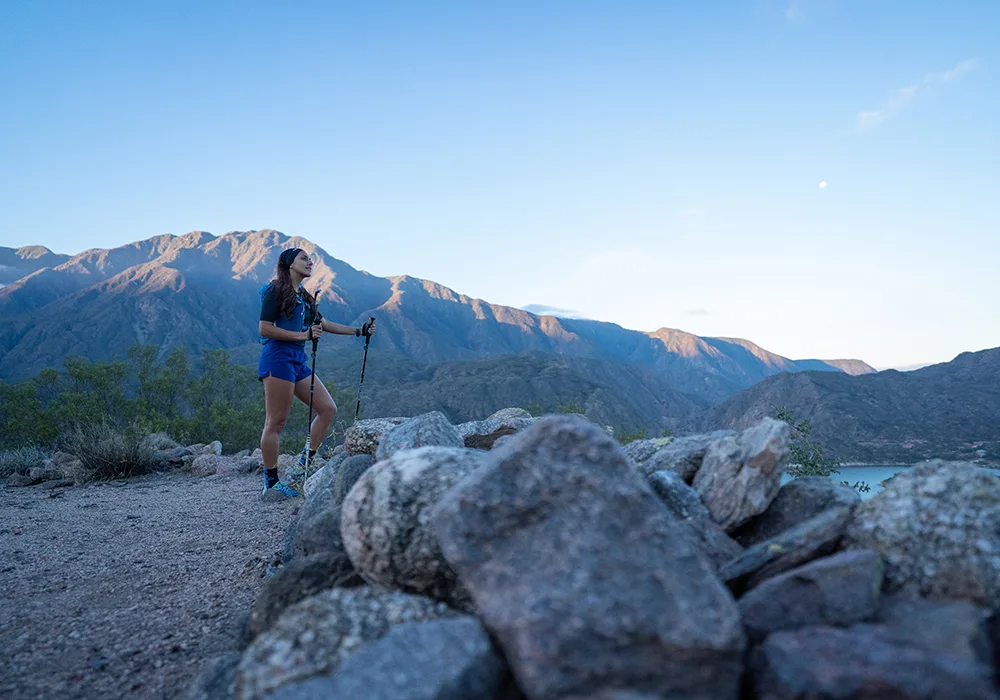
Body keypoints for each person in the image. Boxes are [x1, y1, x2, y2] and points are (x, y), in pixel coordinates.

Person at [258, 247, 375, 498]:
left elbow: (323, 324)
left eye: (311, 259)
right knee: (276, 421)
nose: (310, 262)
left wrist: (359, 331)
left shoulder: (305, 297)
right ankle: (271, 483)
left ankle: (302, 467)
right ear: (289, 264)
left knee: (328, 409)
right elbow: (265, 328)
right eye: (304, 258)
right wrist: (303, 335)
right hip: (277, 358)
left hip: (298, 360)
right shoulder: (275, 291)